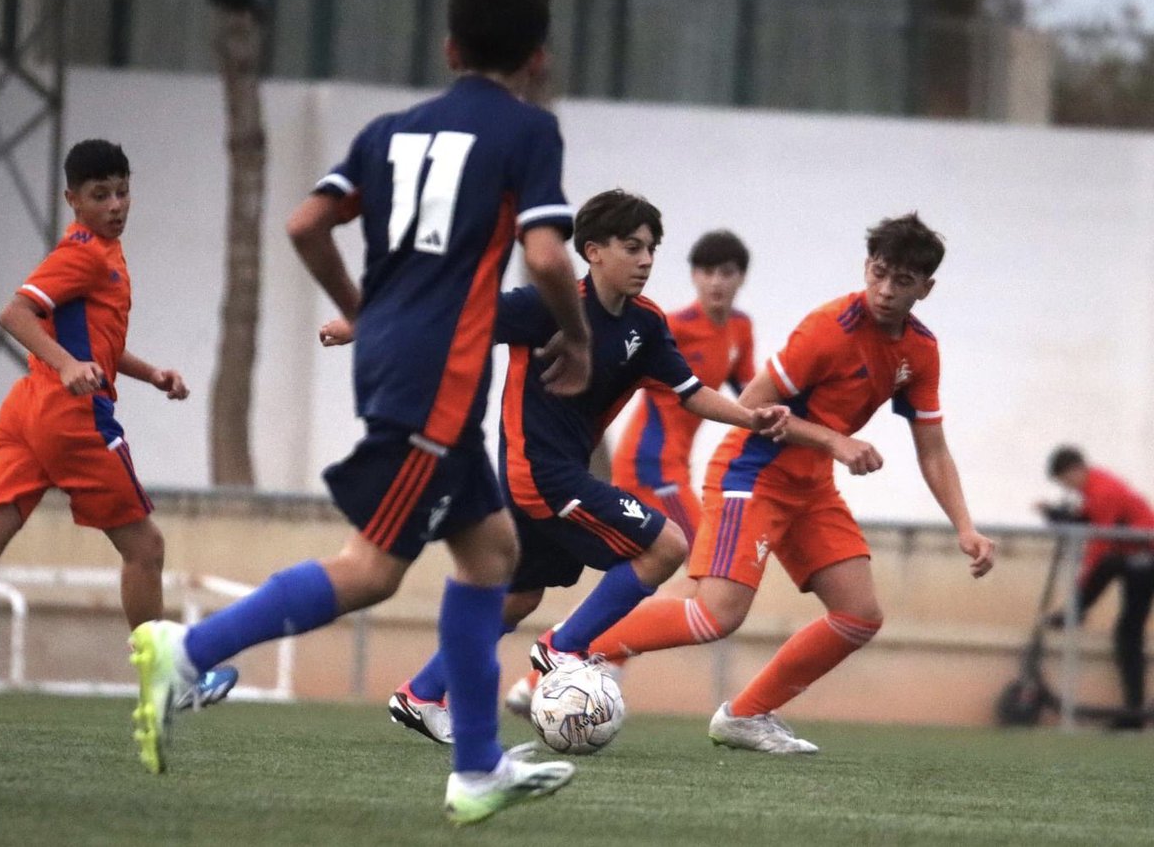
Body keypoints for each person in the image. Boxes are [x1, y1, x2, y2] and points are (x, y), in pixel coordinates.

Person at [127, 0, 593, 826]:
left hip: (397, 366)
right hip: (438, 381)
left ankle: (478, 766)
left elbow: (305, 223)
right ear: (536, 59)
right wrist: (577, 333)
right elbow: (550, 257)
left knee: (492, 552)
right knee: (371, 571)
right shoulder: (530, 131)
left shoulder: (389, 131)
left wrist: (359, 308)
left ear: (450, 50)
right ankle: (187, 652)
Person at [385, 190, 788, 745]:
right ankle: (562, 649)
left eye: (651, 249)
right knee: (668, 546)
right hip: (539, 474)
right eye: (632, 247)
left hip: (560, 474)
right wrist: (362, 327)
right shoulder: (546, 306)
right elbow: (459, 317)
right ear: (593, 251)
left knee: (521, 597)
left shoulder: (646, 324)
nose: (646, 260)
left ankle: (423, 692)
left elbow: (691, 392)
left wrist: (750, 417)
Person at [587, 212, 995, 753]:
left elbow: (933, 447)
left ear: (927, 287)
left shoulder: (920, 350)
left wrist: (965, 527)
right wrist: (833, 440)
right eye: (878, 273)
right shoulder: (829, 328)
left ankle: (746, 715)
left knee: (858, 615)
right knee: (715, 614)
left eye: (902, 281)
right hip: (750, 474)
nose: (886, 290)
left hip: (810, 486)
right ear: (866, 267)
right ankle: (571, 647)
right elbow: (752, 406)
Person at [0, 139, 235, 709]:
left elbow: (93, 345)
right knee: (145, 548)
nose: (115, 204)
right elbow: (15, 313)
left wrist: (150, 372)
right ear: (72, 200)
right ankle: (168, 680)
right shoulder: (83, 254)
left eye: (122, 191)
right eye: (99, 195)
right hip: (71, 418)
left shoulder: (102, 251)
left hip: (27, 408)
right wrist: (66, 367)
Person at [611, 229, 755, 546]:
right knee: (707, 551)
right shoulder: (673, 326)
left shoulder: (740, 328)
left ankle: (635, 600)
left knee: (650, 563)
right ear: (694, 276)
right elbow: (615, 366)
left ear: (741, 277)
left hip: (677, 464)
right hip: (649, 464)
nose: (716, 282)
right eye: (707, 272)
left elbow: (752, 397)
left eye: (726, 272)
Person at [1040, 446, 1154, 729]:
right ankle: (1133, 712)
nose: (1067, 488)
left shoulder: (1103, 490)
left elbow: (1099, 544)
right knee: (1127, 632)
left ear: (1075, 470)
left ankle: (1134, 714)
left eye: (1065, 481)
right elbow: (1087, 521)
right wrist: (1058, 516)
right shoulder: (1095, 487)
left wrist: (1079, 592)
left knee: (1129, 632)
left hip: (1144, 558)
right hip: (1132, 557)